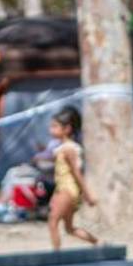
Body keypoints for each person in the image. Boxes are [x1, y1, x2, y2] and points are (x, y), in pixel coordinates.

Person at [47, 107, 98, 250]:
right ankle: (98, 243)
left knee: (53, 222)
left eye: (55, 126)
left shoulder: (69, 149)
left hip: (67, 189)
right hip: (63, 189)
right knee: (69, 228)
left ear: (67, 129)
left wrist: (88, 195)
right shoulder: (62, 148)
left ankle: (56, 254)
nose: (51, 130)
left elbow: (76, 173)